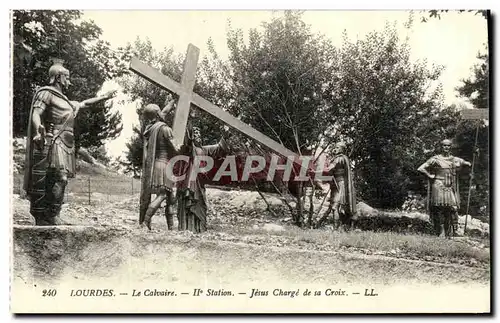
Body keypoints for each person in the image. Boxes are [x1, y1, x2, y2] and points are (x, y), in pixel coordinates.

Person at [23, 59, 116, 225]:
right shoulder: (47, 93)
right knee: (60, 177)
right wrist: (38, 130)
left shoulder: (66, 101)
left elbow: (85, 103)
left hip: (67, 144)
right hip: (55, 141)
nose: (69, 81)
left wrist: (104, 97)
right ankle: (50, 215)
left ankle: (51, 215)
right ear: (58, 77)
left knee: (57, 179)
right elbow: (36, 113)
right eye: (67, 77)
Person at [176, 109, 233, 233]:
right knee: (190, 202)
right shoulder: (190, 150)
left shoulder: (204, 150)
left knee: (201, 204)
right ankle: (187, 228)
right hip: (190, 182)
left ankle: (199, 229)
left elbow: (219, 148)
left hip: (200, 183)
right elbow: (187, 141)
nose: (198, 137)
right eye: (196, 135)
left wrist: (225, 136)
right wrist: (190, 121)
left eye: (200, 135)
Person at [140, 96, 183, 230]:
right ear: (157, 114)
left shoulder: (150, 128)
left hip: (156, 164)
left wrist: (173, 101)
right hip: (165, 165)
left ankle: (171, 228)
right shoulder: (165, 129)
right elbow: (175, 149)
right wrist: (184, 147)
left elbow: (163, 112)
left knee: (170, 197)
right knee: (163, 195)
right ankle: (145, 221)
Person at [417, 139, 472, 237]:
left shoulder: (454, 159)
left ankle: (453, 231)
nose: (446, 148)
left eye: (448, 146)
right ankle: (440, 231)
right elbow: (421, 168)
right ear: (441, 147)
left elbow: (467, 163)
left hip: (449, 186)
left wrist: (474, 156)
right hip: (438, 185)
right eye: (444, 146)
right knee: (439, 209)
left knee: (453, 208)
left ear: (450, 147)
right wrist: (430, 175)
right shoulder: (435, 159)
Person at [326, 141, 357, 230]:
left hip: (341, 185)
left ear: (342, 149)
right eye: (335, 147)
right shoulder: (339, 158)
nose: (335, 149)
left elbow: (329, 169)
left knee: (335, 207)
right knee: (334, 206)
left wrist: (315, 171)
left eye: (337, 147)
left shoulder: (340, 158)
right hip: (336, 184)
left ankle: (337, 228)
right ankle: (338, 227)